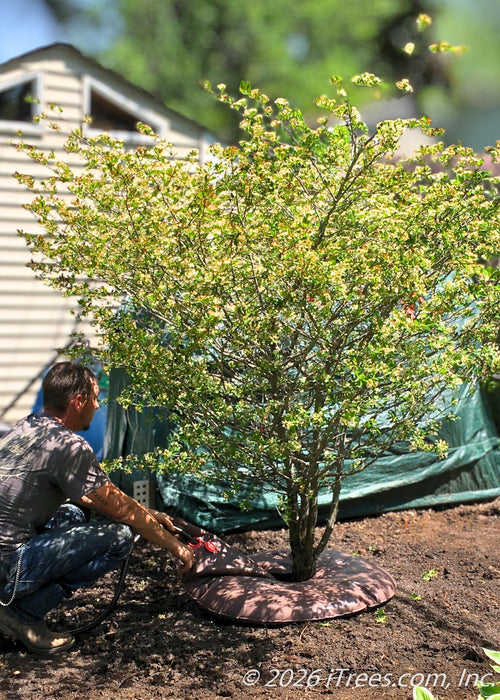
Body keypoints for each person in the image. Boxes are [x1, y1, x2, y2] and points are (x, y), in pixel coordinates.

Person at [0, 362, 194, 654]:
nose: (97, 403)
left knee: (73, 514)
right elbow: (122, 512)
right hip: (9, 566)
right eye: (94, 396)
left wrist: (151, 514)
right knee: (118, 538)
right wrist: (177, 547)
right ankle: (21, 615)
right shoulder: (69, 447)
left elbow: (96, 497)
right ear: (77, 402)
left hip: (7, 552)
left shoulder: (27, 425)